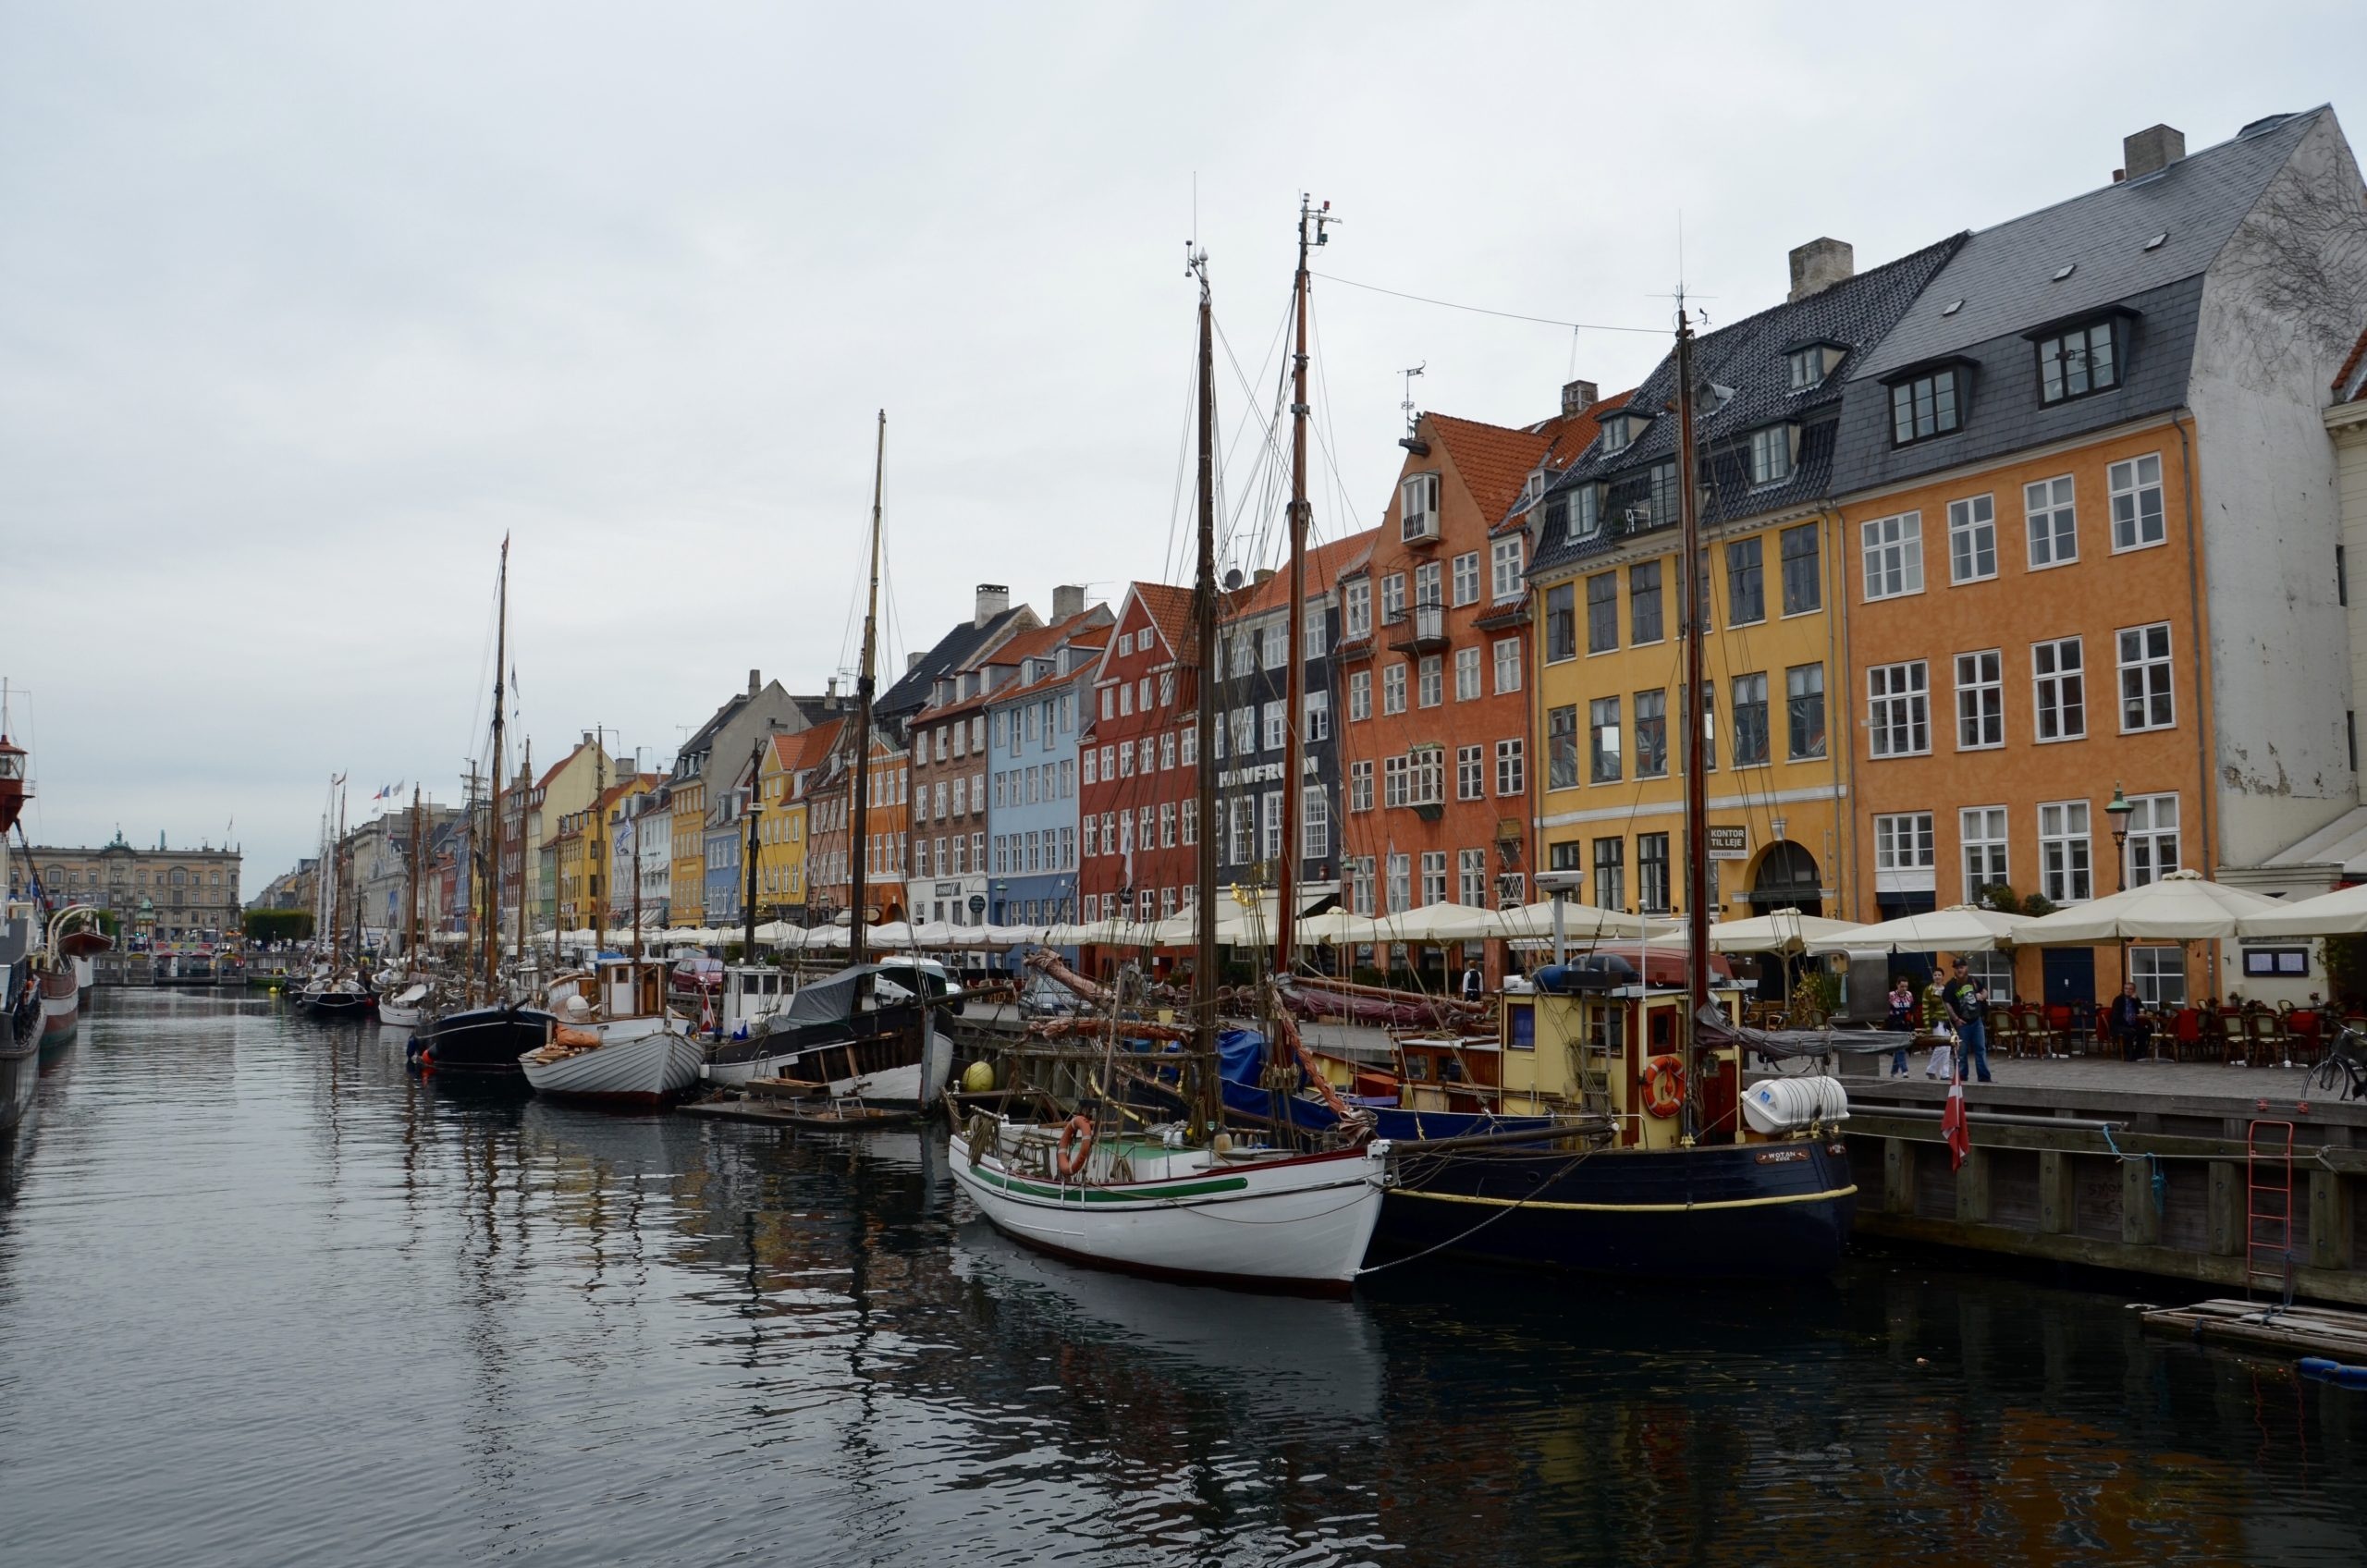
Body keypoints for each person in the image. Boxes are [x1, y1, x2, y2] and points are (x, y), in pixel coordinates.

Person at [1941, 959, 1993, 1084]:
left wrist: (1982, 996)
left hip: (1977, 1021)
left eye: (1962, 967)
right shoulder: (1950, 985)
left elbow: (1984, 990)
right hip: (1962, 1024)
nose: (1959, 969)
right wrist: (1956, 1019)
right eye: (1957, 967)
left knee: (1981, 1050)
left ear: (1966, 967)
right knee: (1961, 1052)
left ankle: (1984, 1078)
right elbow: (1946, 1003)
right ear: (1954, 969)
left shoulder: (1973, 980)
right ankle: (1962, 1079)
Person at [2108, 982, 2152, 1061]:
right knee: (2130, 1032)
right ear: (2123, 990)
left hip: (2132, 1024)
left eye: (2130, 989)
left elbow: (2143, 1010)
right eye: (2126, 989)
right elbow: (2117, 1016)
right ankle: (2129, 1055)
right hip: (2119, 1025)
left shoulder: (2135, 999)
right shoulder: (2118, 1000)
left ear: (2134, 991)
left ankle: (2139, 1053)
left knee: (2145, 1031)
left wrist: (2135, 1001)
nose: (2128, 991)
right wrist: (2128, 1025)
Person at [1885, 975, 1918, 1078]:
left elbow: (1912, 1010)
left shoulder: (1909, 995)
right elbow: (1887, 1010)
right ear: (1897, 985)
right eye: (1902, 986)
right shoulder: (1891, 995)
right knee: (1900, 1047)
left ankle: (1893, 1072)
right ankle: (1905, 1071)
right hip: (1895, 1023)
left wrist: (1912, 1024)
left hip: (1906, 1024)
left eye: (1906, 986)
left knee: (1900, 1047)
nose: (1904, 989)